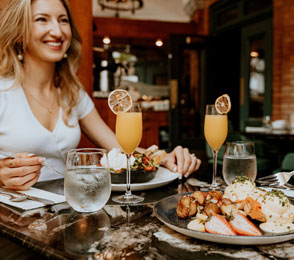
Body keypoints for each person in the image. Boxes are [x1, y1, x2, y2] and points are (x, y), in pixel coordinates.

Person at [0, 0, 201, 190]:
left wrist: (164, 158)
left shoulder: (72, 92)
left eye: (63, 20)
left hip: (63, 209)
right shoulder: (3, 90)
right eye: (42, 19)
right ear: (19, 31)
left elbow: (120, 148)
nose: (58, 31)